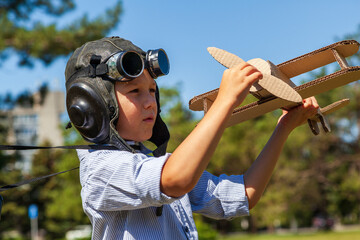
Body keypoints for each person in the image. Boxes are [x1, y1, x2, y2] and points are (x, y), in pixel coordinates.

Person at [65, 36, 319, 239]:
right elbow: (175, 180)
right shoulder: (100, 169)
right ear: (94, 104)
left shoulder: (165, 165)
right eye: (135, 91)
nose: (150, 102)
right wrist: (226, 101)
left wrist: (284, 127)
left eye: (152, 91)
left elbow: (243, 195)